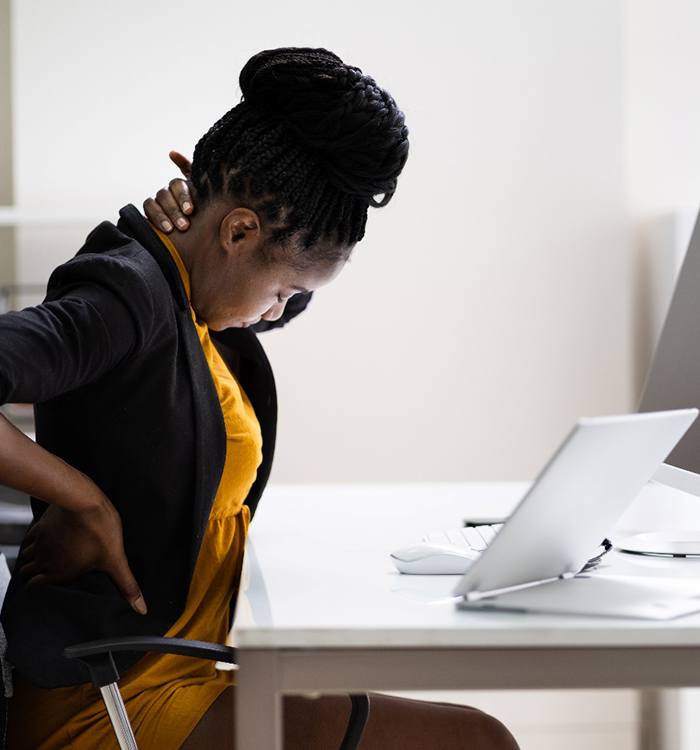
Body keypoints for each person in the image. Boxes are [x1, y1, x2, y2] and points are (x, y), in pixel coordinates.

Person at [0, 46, 519, 749]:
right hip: (113, 700)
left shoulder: (192, 299)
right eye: (282, 293)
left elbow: (246, 285)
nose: (278, 314)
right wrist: (80, 498)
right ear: (239, 231)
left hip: (186, 669)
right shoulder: (128, 294)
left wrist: (226, 229)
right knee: (477, 742)